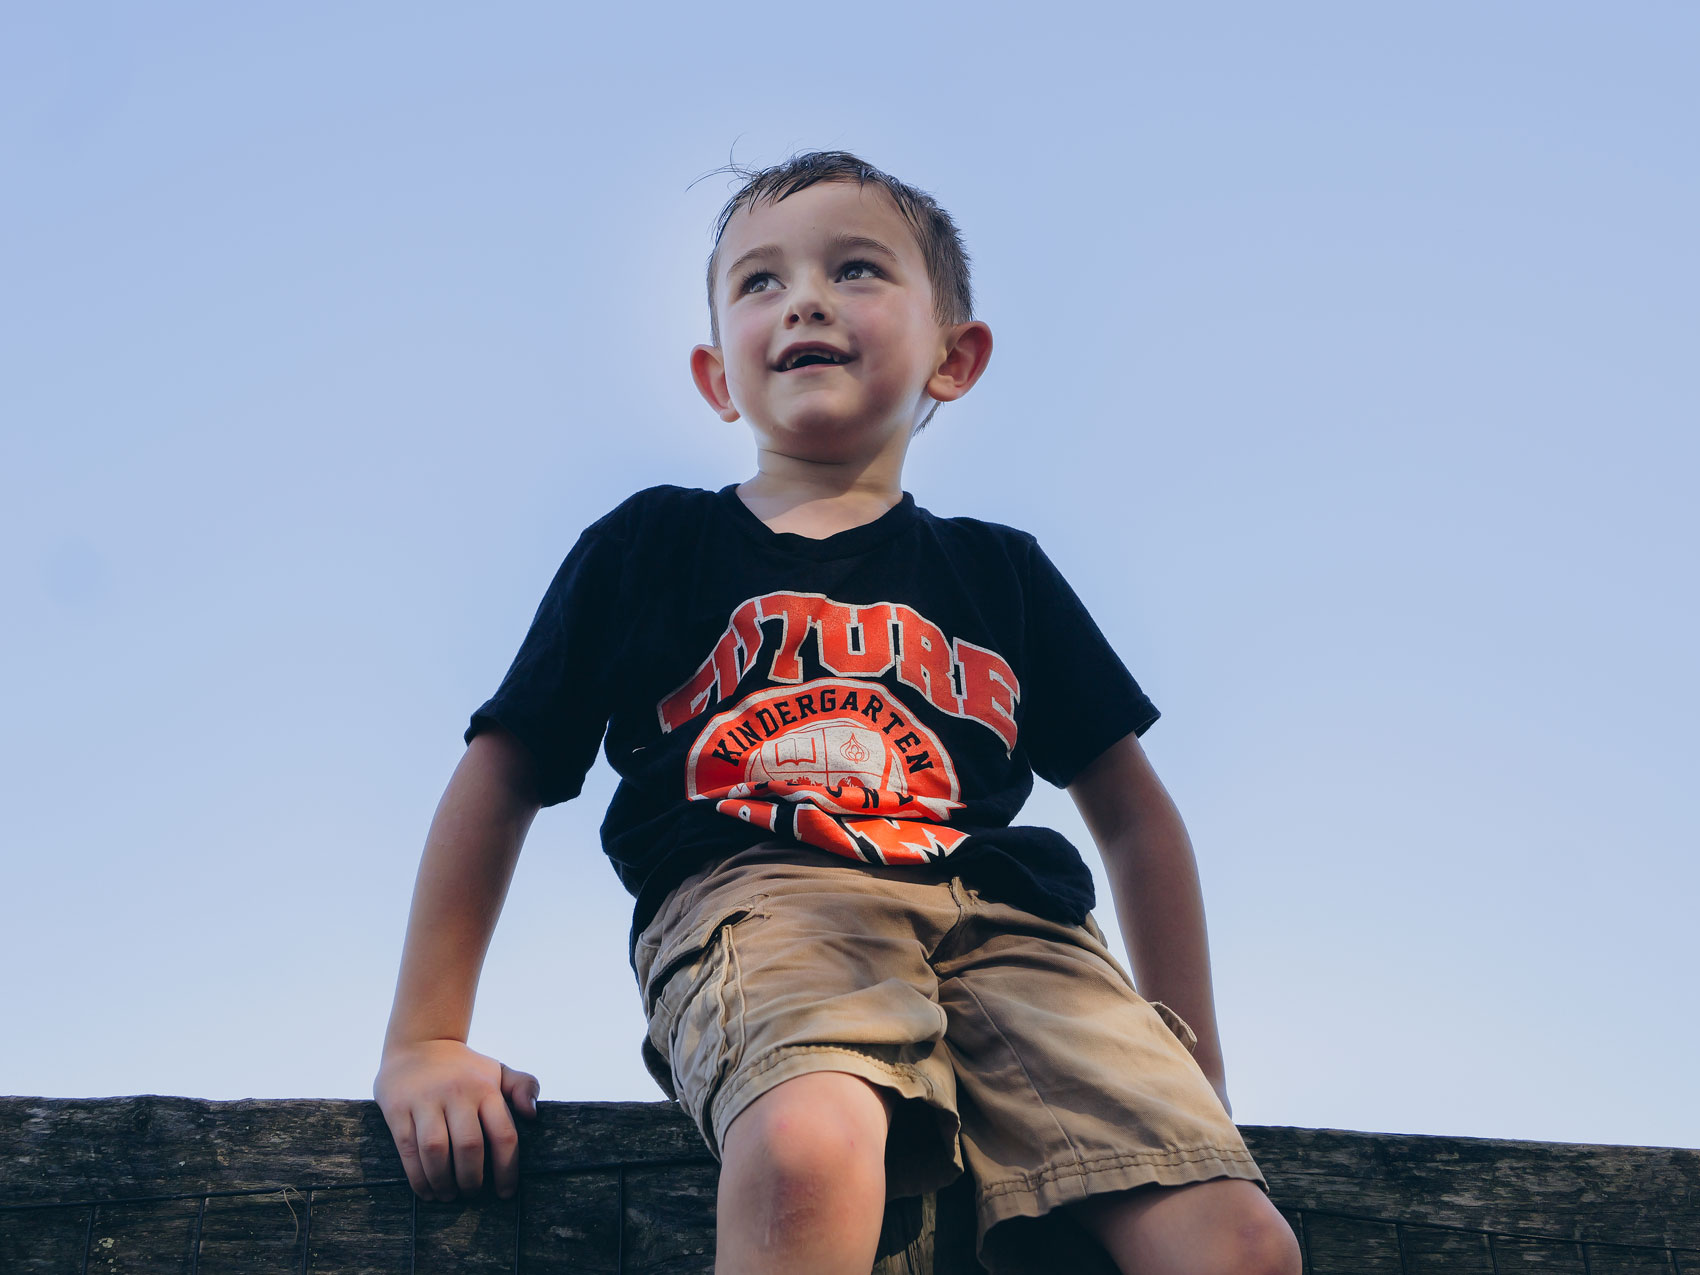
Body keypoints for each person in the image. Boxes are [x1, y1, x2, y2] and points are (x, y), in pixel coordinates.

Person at [374, 150, 1302, 1275]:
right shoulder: (651, 545)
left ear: (953, 358)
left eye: (854, 268)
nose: (804, 297)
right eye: (759, 282)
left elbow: (1133, 816)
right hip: (768, 895)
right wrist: (425, 1039)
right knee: (814, 1145)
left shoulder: (998, 571)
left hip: (1011, 923)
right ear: (718, 377)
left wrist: (1185, 1077)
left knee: (1237, 1242)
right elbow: (503, 770)